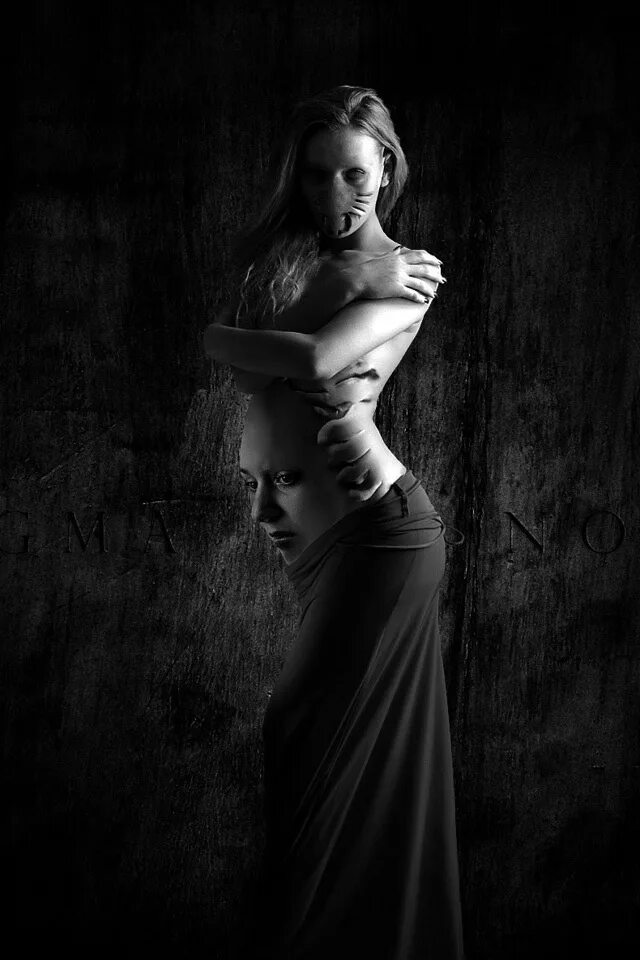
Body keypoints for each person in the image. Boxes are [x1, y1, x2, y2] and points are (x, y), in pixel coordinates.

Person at [203, 85, 464, 957]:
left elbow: (309, 358)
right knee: (322, 750)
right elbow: (244, 365)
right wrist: (340, 281)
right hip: (326, 542)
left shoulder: (411, 270)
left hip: (379, 536)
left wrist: (233, 337)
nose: (336, 196)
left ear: (385, 166)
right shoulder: (310, 266)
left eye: (353, 174)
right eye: (316, 176)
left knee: (303, 731)